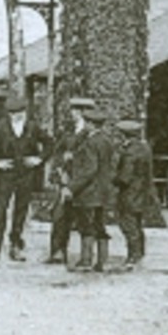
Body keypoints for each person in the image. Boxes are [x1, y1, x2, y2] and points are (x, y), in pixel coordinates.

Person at [0, 93, 46, 262]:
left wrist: (39, 159)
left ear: (25, 112)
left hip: (26, 174)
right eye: (12, 113)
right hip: (5, 174)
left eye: (19, 112)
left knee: (21, 211)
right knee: (0, 211)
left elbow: (49, 143)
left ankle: (16, 246)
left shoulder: (33, 127)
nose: (15, 116)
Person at [45, 96, 95, 264]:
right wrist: (58, 168)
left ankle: (86, 257)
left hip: (84, 183)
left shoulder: (91, 133)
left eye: (75, 111)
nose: (72, 113)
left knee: (84, 218)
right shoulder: (68, 131)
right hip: (65, 180)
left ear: (82, 112)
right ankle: (58, 252)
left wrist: (72, 158)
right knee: (59, 216)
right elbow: (57, 151)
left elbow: (92, 161)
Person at [68, 106, 117, 273]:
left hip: (89, 191)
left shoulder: (90, 143)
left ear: (90, 124)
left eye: (86, 122)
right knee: (99, 225)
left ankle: (86, 260)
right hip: (103, 191)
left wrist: (72, 188)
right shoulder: (107, 140)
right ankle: (103, 261)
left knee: (86, 226)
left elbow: (89, 170)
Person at [113, 117, 157, 270]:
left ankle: (133, 256)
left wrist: (113, 180)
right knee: (137, 225)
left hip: (129, 194)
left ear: (124, 135)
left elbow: (125, 177)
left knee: (128, 225)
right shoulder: (144, 148)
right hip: (142, 193)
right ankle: (139, 254)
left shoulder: (130, 152)